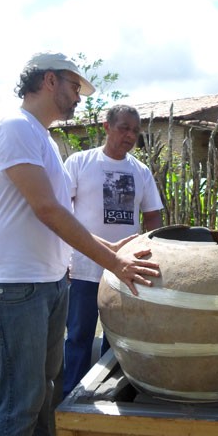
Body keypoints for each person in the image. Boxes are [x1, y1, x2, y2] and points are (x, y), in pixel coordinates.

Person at [0, 52, 160, 436]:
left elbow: (59, 214)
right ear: (49, 81)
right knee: (20, 401)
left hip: (47, 280)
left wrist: (112, 248)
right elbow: (48, 209)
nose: (79, 97)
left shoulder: (41, 137)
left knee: (41, 387)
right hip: (16, 283)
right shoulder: (14, 128)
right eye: (75, 87)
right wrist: (113, 263)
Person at [63, 104, 164, 397]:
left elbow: (153, 215)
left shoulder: (140, 172)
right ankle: (74, 395)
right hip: (83, 266)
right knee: (79, 336)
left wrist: (147, 248)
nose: (130, 135)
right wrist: (66, 257)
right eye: (123, 128)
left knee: (117, 337)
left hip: (124, 271)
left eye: (135, 130)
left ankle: (109, 394)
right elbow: (62, 213)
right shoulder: (80, 163)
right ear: (107, 127)